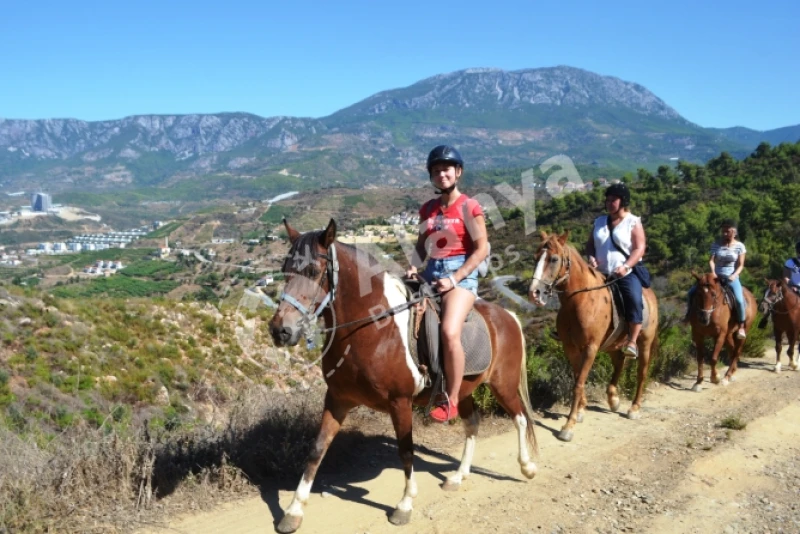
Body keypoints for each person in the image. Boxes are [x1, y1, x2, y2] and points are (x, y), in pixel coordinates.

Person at [405, 145, 489, 423]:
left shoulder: (469, 206)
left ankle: (451, 398)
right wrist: (412, 267)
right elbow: (420, 247)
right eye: (437, 170)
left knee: (450, 331)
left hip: (461, 277)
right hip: (431, 272)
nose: (442, 174)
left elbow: (482, 250)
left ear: (458, 172)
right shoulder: (427, 209)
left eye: (447, 169)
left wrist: (454, 279)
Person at [585, 183, 647, 358]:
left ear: (623, 201)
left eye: (614, 200)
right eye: (608, 200)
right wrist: (590, 257)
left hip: (624, 273)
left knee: (634, 298)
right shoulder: (599, 222)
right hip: (599, 273)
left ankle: (632, 341)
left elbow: (639, 248)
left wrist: (626, 266)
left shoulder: (633, 221)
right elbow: (590, 245)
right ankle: (566, 329)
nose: (609, 203)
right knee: (575, 292)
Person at [685, 219, 748, 339]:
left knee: (739, 300)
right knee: (691, 292)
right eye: (723, 231)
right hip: (715, 276)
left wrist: (734, 275)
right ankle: (688, 316)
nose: (724, 234)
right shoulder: (716, 244)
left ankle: (741, 326)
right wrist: (713, 272)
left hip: (731, 277)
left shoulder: (740, 246)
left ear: (734, 232)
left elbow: (740, 264)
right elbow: (711, 260)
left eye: (727, 231)